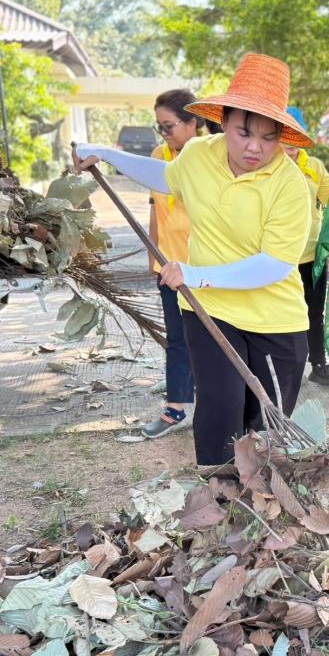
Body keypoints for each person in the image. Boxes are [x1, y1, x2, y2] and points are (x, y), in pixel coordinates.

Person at [72, 53, 313, 468]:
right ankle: (217, 494)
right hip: (210, 310)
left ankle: (262, 500)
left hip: (277, 320)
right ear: (224, 121)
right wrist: (104, 155)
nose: (255, 147)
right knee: (220, 408)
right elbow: (165, 178)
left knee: (264, 429)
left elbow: (274, 264)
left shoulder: (290, 186)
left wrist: (197, 274)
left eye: (269, 138)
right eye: (243, 132)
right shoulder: (199, 154)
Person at [130, 88, 205, 438]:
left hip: (205, 268)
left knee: (212, 338)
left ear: (194, 123)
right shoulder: (158, 155)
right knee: (177, 338)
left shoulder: (211, 158)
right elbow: (155, 210)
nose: (164, 133)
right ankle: (176, 408)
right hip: (168, 267)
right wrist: (153, 255)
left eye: (169, 126)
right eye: (159, 126)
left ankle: (215, 404)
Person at [284, 106, 329, 386]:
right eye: (284, 134)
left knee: (314, 312)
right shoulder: (269, 167)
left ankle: (318, 364)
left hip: (312, 257)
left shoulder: (314, 167)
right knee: (283, 315)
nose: (290, 143)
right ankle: (286, 367)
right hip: (280, 259)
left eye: (296, 135)